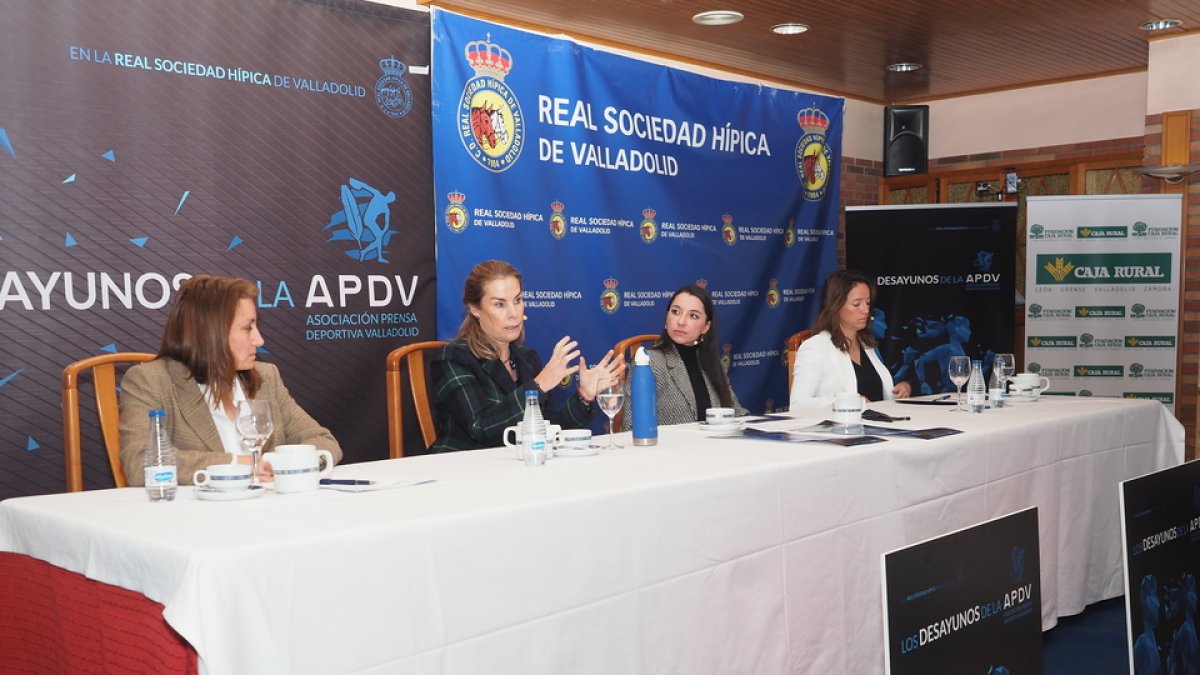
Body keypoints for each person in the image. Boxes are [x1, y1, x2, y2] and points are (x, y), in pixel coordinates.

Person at [119, 275, 342, 485]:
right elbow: (140, 462)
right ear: (209, 332)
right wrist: (241, 464)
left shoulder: (266, 377)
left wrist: (299, 463)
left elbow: (323, 440)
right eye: (247, 328)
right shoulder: (150, 381)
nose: (260, 339)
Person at [430, 260, 624, 452]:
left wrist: (584, 396)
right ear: (475, 309)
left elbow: (550, 430)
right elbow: (481, 428)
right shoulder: (453, 357)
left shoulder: (527, 358)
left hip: (519, 467)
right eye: (500, 305)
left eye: (517, 300)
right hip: (465, 469)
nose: (513, 313)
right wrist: (539, 385)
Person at [621, 284, 747, 428]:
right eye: (675, 312)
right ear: (666, 318)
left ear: (706, 327)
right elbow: (631, 426)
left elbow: (737, 413)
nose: (681, 321)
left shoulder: (713, 363)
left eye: (693, 316)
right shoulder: (649, 363)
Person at [789, 269, 912, 410]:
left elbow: (878, 393)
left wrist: (901, 389)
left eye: (867, 303)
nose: (865, 310)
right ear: (836, 306)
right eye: (856, 304)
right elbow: (798, 405)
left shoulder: (868, 344)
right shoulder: (815, 347)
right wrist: (847, 402)